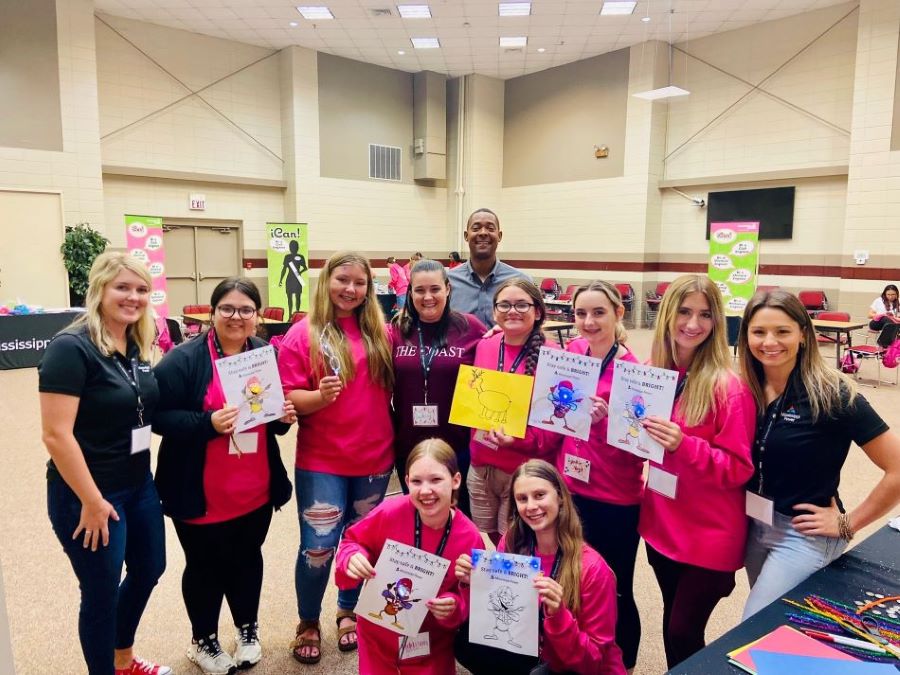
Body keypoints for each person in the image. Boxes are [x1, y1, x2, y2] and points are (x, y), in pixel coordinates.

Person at [152, 278, 296, 674]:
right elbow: (158, 418)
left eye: (246, 310)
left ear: (257, 316)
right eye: (228, 309)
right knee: (204, 566)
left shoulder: (263, 354)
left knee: (248, 559)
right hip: (200, 491)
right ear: (212, 313)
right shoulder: (183, 360)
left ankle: (248, 630)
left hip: (254, 488)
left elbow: (270, 423)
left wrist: (283, 417)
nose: (237, 317)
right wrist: (207, 423)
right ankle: (203, 641)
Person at [39, 251, 169, 675]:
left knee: (150, 567)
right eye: (122, 287)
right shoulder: (70, 348)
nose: (133, 297)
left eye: (141, 289)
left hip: (138, 483)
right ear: (99, 290)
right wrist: (92, 501)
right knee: (101, 592)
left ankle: (123, 657)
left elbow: (147, 409)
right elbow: (56, 434)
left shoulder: (137, 344)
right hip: (88, 494)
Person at [739, 290, 900, 619]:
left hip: (804, 534)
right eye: (759, 332)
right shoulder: (745, 387)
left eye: (782, 331)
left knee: (754, 623)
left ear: (802, 333)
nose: (769, 342)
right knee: (778, 628)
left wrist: (847, 524)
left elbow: (897, 468)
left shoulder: (833, 394)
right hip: (754, 524)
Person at [277, 251, 395, 665]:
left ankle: (348, 609)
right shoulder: (302, 333)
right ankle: (308, 621)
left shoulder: (381, 331)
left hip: (376, 459)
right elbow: (289, 398)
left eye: (359, 283)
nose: (350, 289)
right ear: (327, 281)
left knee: (360, 543)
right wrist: (319, 396)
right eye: (342, 280)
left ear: (369, 289)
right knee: (319, 547)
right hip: (322, 460)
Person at [638, 274, 756, 669]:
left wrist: (684, 445)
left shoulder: (728, 386)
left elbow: (739, 469)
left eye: (705, 314)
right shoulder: (653, 372)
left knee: (682, 632)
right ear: (667, 314)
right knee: (672, 624)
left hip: (709, 534)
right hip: (661, 526)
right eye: (684, 311)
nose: (693, 323)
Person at [455, 460, 626, 675]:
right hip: (534, 653)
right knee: (465, 640)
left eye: (539, 495)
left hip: (579, 667)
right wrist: (475, 583)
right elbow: (497, 612)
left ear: (560, 497)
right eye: (522, 499)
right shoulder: (511, 542)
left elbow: (593, 663)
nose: (531, 506)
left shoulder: (593, 569)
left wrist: (558, 615)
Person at [335, 438, 483, 674]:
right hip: (378, 631)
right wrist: (352, 557)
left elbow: (473, 596)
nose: (426, 490)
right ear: (406, 482)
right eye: (416, 481)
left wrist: (454, 605)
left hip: (431, 640)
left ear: (456, 480)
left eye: (436, 479)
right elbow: (352, 541)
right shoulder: (390, 511)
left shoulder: (470, 538)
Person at [555, 281, 643, 671]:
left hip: (615, 497)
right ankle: (578, 655)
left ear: (618, 314)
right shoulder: (570, 354)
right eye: (580, 314)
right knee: (574, 578)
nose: (588, 322)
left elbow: (643, 446)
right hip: (570, 490)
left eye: (599, 313)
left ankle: (621, 662)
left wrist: (610, 421)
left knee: (615, 585)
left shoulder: (636, 372)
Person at [390, 259, 486, 516]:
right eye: (419, 290)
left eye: (435, 289)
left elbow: (498, 363)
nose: (427, 296)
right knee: (419, 515)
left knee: (460, 519)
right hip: (409, 445)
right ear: (410, 293)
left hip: (458, 445)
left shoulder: (470, 327)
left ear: (448, 289)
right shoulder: (397, 330)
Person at [468, 278, 555, 544]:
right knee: (494, 536)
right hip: (481, 463)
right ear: (494, 311)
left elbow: (555, 426)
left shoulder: (552, 357)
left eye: (521, 304)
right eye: (504, 305)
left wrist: (517, 440)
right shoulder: (486, 345)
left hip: (521, 468)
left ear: (537, 311)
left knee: (520, 541)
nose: (512, 311)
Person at [448, 208, 528, 327]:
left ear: (499, 236)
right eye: (476, 228)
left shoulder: (521, 281)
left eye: (490, 228)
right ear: (466, 236)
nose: (483, 233)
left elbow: (532, 327)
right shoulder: (448, 281)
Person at [279, 240, 308, 317]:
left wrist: (300, 272)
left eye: (294, 247)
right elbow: (284, 269)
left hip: (298, 279)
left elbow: (305, 267)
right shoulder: (287, 257)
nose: (293, 248)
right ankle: (290, 315)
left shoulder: (301, 257)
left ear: (297, 248)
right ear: (290, 248)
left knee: (298, 297)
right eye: (292, 247)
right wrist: (281, 280)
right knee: (289, 298)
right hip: (289, 279)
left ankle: (297, 314)